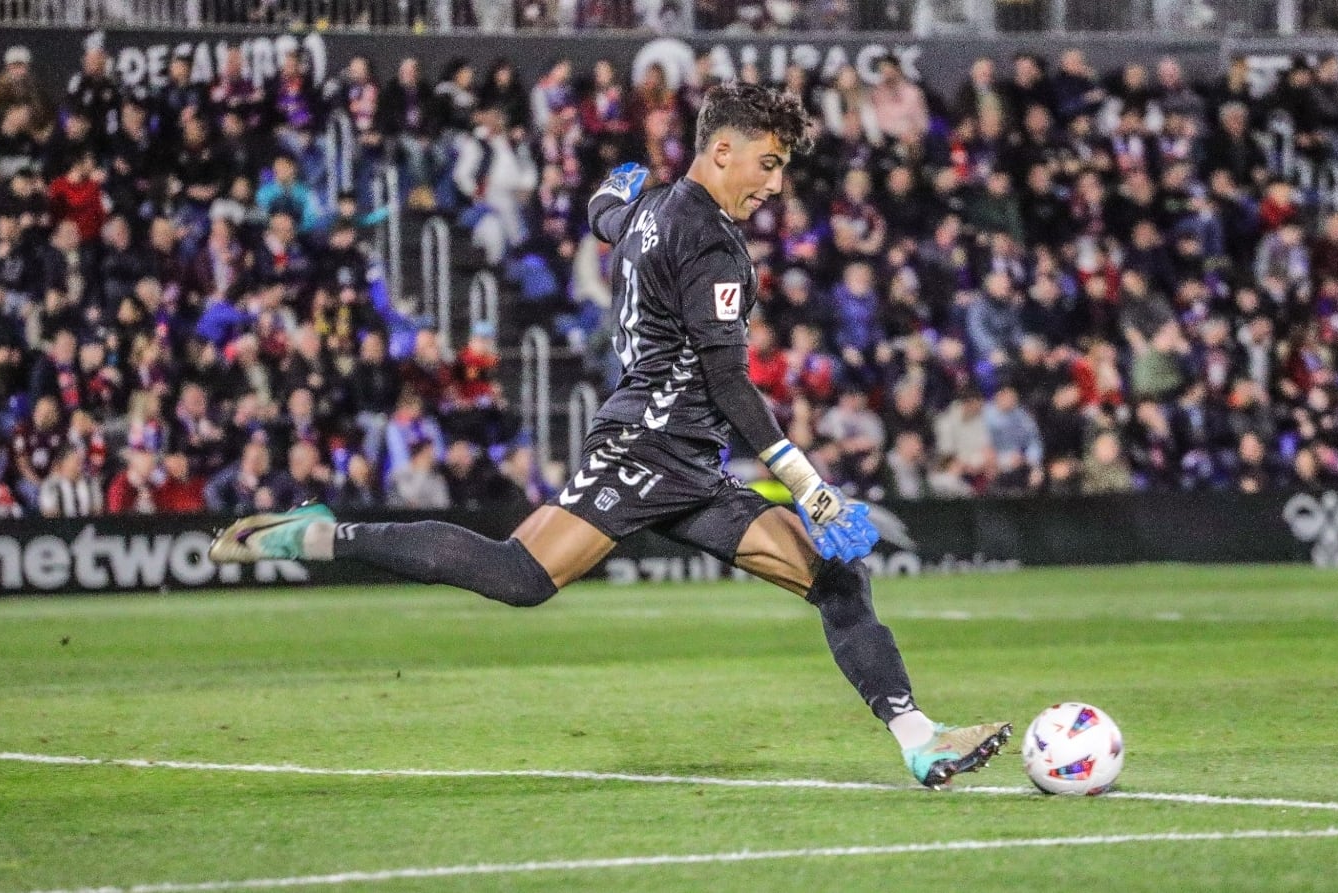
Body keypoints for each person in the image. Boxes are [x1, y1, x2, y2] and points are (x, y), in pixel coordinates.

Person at [209, 82, 1010, 788]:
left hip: (688, 462)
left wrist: (605, 185)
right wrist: (806, 481)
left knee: (840, 581)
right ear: (721, 150)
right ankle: (322, 536)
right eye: (768, 163)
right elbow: (729, 380)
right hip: (646, 450)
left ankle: (919, 742)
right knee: (520, 575)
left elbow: (605, 211)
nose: (777, 183)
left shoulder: (652, 209)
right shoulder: (712, 245)